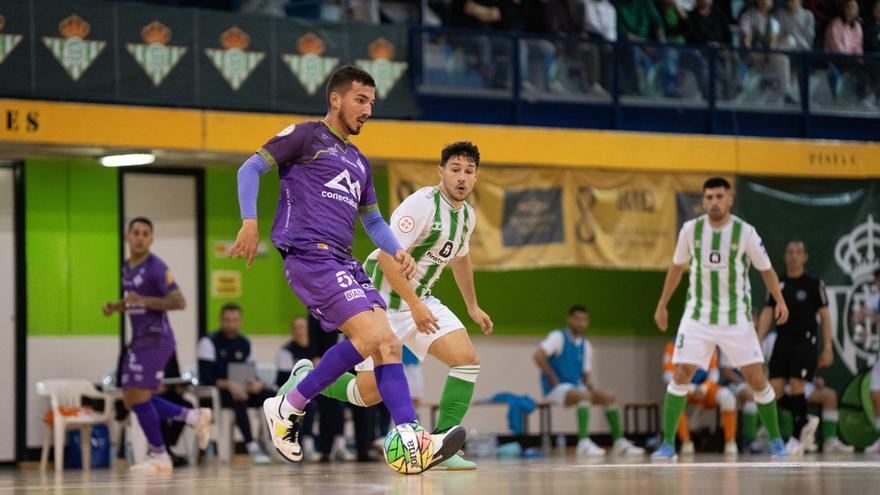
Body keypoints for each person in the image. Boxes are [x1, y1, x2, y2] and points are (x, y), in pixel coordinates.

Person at [230, 65, 465, 469]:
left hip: (343, 259)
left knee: (388, 344)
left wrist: (396, 250)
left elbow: (372, 220)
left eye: (372, 102)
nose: (368, 109)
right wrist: (249, 221)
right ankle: (289, 404)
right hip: (309, 256)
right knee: (373, 336)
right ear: (335, 99)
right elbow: (249, 168)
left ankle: (409, 437)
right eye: (361, 100)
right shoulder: (305, 136)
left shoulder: (359, 161)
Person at [279, 141, 494, 470]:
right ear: (441, 173)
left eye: (468, 171)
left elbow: (462, 260)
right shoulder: (422, 204)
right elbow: (386, 256)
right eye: (455, 170)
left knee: (467, 360)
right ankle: (304, 379)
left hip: (420, 297)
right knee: (368, 395)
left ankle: (441, 445)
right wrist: (413, 304)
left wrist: (473, 307)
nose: (461, 177)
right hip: (381, 298)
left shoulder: (467, 216)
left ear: (476, 177)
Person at [652, 177, 790, 460]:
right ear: (703, 201)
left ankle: (776, 440)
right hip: (698, 315)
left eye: (719, 196)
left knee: (756, 378)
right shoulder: (690, 230)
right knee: (681, 374)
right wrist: (662, 304)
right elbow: (676, 268)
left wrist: (780, 299)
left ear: (729, 199)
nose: (713, 202)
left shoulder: (745, 232)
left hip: (736, 317)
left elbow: (766, 270)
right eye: (709, 197)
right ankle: (667, 445)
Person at [102, 217, 212, 473]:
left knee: (138, 395)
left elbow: (179, 301)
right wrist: (116, 307)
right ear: (128, 237)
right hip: (139, 337)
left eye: (145, 234)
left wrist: (145, 300)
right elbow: (135, 300)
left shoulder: (156, 267)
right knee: (131, 398)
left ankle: (161, 455)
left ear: (151, 239)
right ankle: (194, 417)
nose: (140, 237)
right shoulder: (126, 267)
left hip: (156, 338)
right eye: (136, 233)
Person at [534, 306, 645, 456]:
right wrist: (551, 375)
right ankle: (583, 443)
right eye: (577, 319)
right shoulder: (558, 337)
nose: (580, 323)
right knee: (583, 396)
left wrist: (591, 387)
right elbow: (538, 355)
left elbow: (586, 376)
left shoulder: (586, 345)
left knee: (608, 396)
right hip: (555, 389)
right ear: (569, 319)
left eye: (584, 320)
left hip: (576, 387)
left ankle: (619, 441)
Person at [756, 240, 830, 455]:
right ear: (785, 256)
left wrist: (827, 347)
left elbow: (825, 317)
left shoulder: (814, 284)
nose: (794, 256)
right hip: (782, 341)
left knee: (798, 385)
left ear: (805, 257)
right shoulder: (777, 283)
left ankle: (797, 437)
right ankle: (805, 418)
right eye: (790, 252)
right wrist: (758, 340)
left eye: (799, 253)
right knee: (774, 391)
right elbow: (768, 311)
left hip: (805, 342)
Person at [197, 303, 273, 464]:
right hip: (219, 395)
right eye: (227, 320)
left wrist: (257, 383)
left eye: (234, 320)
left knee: (271, 396)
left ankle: (275, 443)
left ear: (240, 321)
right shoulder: (208, 343)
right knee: (238, 396)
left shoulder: (245, 343)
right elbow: (206, 377)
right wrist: (229, 384)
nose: (230, 324)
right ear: (220, 320)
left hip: (243, 390)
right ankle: (251, 445)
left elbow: (251, 372)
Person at [761, 331, 854, 453]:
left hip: (801, 383)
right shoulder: (771, 339)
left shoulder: (804, 335)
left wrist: (814, 379)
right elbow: (766, 367)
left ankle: (830, 442)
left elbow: (802, 367)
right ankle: (799, 433)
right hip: (781, 386)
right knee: (785, 394)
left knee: (830, 396)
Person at [662, 345, 738, 455]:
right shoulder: (673, 346)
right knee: (673, 400)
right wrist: (692, 389)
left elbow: (714, 373)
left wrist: (704, 387)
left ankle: (730, 441)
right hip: (684, 388)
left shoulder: (709, 344)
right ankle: (685, 441)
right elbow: (667, 376)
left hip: (705, 388)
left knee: (728, 398)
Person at [276, 316, 317, 459]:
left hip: (317, 391)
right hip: (294, 392)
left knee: (333, 404)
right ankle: (305, 443)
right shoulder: (286, 350)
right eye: (297, 328)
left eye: (303, 328)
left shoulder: (316, 349)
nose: (300, 331)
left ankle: (336, 445)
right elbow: (282, 379)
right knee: (308, 405)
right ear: (292, 331)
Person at [856, 269, 880, 453]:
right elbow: (860, 315)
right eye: (877, 281)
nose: (877, 284)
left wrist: (872, 317)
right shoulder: (875, 298)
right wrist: (860, 320)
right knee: (875, 394)